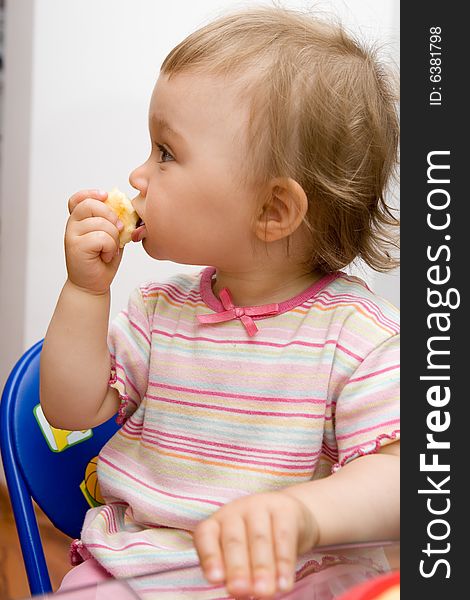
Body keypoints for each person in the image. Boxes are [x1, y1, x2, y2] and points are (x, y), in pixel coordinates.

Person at [40, 5, 400, 599]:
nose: (138, 174)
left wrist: (303, 516)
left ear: (272, 211)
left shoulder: (360, 338)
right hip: (140, 573)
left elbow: (398, 478)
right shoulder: (158, 312)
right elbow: (70, 409)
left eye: (166, 152)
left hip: (292, 578)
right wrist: (85, 291)